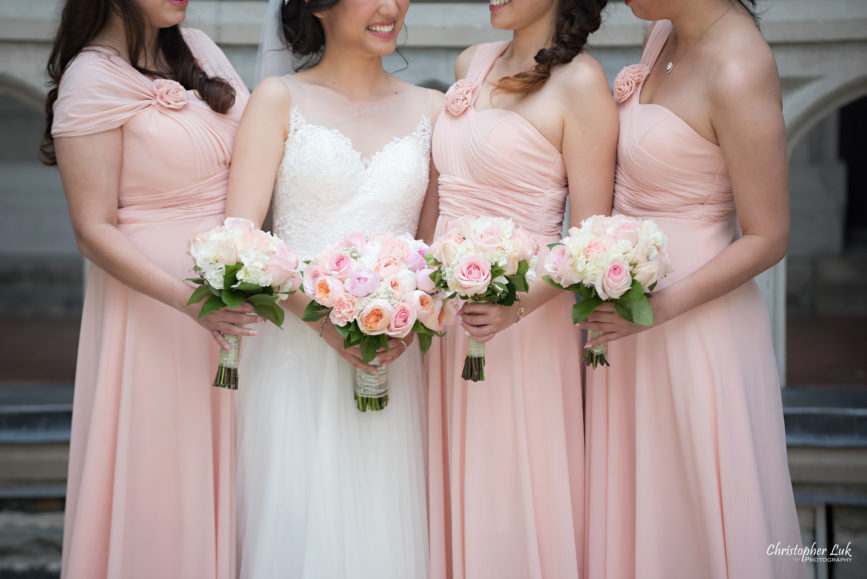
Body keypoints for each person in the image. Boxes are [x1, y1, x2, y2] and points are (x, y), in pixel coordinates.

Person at [582, 1, 806, 577]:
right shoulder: (663, 31)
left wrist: (658, 309)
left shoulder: (739, 68)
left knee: (695, 505)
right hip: (628, 317)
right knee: (640, 500)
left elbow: (768, 235)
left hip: (694, 327)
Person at [222, 0, 442, 576]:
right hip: (294, 350)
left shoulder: (434, 110)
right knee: (297, 525)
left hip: (391, 352)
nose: (390, 7)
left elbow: (433, 249)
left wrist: (408, 315)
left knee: (384, 525)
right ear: (318, 7)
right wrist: (325, 321)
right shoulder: (277, 100)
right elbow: (243, 242)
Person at [43, 0, 256, 577]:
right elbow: (92, 230)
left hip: (237, 296)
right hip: (157, 311)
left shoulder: (200, 48)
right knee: (164, 470)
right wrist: (190, 303)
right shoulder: (90, 78)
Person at [426, 1, 617, 577]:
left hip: (525, 317)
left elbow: (590, 236)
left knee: (510, 484)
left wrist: (515, 305)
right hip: (446, 314)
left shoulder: (581, 81)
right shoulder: (472, 64)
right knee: (453, 479)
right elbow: (440, 195)